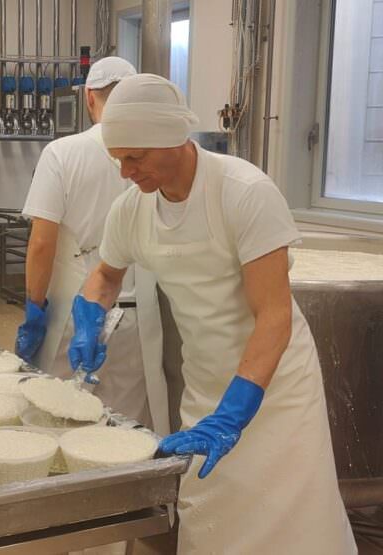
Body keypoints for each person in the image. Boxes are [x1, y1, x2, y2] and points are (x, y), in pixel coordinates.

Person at [69, 73, 355, 553]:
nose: (125, 172)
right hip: (206, 381)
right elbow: (105, 275)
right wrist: (89, 315)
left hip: (275, 386)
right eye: (118, 160)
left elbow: (274, 316)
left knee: (291, 515)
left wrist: (235, 413)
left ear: (172, 139)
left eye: (134, 157)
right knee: (212, 509)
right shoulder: (132, 209)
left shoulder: (243, 191)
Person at [15, 56, 164, 428]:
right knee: (125, 423)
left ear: (88, 98)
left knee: (61, 419)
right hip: (136, 308)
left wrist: (34, 309)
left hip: (73, 311)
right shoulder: (159, 155)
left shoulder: (62, 153)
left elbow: (41, 244)